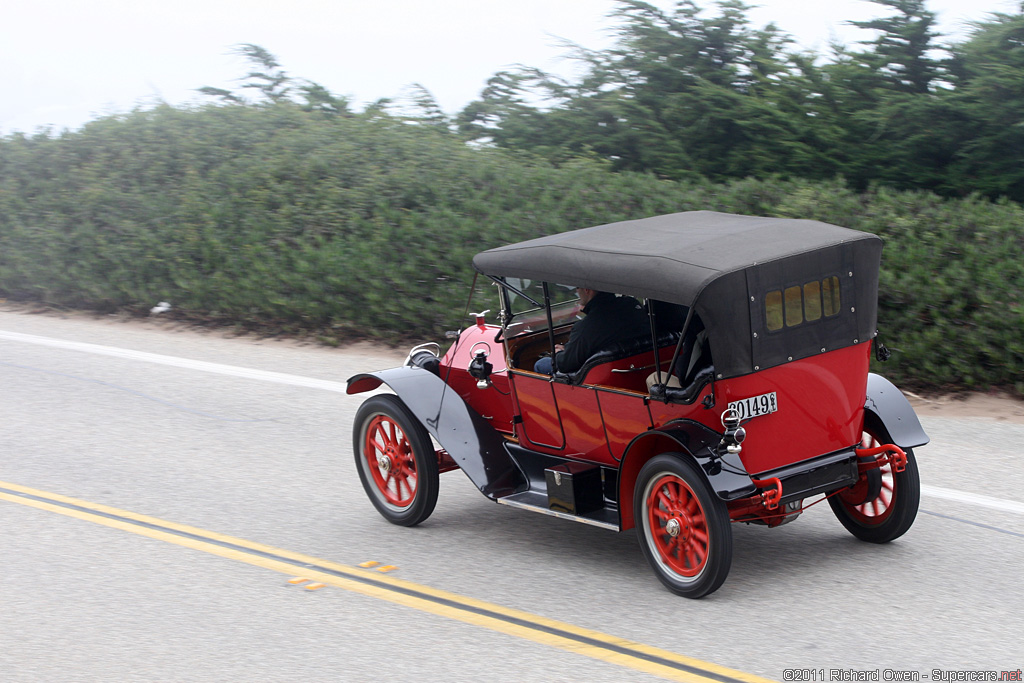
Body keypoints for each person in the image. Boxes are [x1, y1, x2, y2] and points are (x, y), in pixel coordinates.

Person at [534, 288, 649, 374]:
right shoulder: (631, 304)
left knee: (541, 364)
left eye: (577, 288)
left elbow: (565, 364)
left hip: (605, 374)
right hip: (642, 364)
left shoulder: (586, 326)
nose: (577, 292)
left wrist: (559, 353)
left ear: (587, 290)